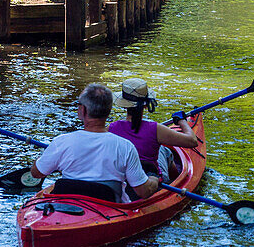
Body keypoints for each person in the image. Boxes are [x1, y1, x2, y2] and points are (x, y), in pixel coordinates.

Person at [30, 84, 160, 203]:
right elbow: (143, 191)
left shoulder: (61, 142)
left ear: (83, 110)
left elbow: (36, 173)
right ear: (108, 110)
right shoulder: (125, 147)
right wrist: (153, 180)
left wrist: (47, 157)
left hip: (67, 206)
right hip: (110, 208)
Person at [108, 78, 198, 182]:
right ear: (146, 105)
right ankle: (175, 182)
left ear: (124, 106)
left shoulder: (111, 128)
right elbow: (192, 141)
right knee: (165, 151)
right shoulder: (155, 129)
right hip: (151, 180)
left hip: (123, 179)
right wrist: (182, 121)